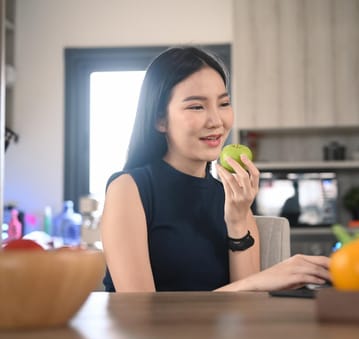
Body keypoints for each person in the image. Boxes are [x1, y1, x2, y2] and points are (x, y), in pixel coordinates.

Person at [101, 46, 330, 292]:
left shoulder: (231, 198)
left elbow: (245, 311)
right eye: (196, 106)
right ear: (160, 120)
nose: (216, 121)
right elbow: (140, 312)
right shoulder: (128, 189)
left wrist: (238, 219)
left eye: (223, 103)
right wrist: (259, 281)